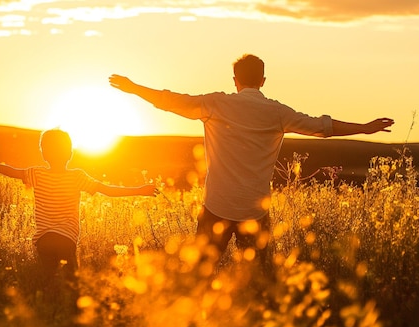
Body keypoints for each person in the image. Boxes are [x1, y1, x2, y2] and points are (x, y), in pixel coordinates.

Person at [109, 53, 394, 276]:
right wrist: (365, 128)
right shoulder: (278, 113)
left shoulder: (216, 105)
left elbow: (169, 101)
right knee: (258, 279)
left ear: (235, 80)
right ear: (263, 80)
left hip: (217, 207)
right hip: (255, 211)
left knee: (199, 276)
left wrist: (134, 88)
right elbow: (322, 127)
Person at [0, 129, 157, 301]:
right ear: (70, 153)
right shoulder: (76, 176)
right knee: (73, 284)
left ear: (44, 153)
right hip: (66, 238)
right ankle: (72, 317)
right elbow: (108, 190)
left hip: (44, 239)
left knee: (48, 282)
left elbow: (12, 172)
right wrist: (140, 190)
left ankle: (48, 310)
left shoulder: (36, 174)